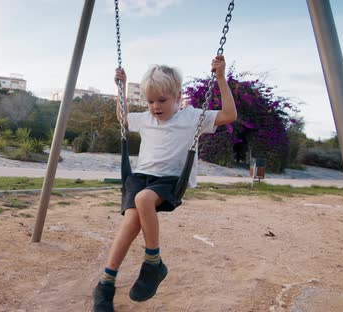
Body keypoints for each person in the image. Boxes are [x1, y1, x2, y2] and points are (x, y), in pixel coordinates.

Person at [93, 55, 237, 312]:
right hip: (140, 177)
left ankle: (153, 262)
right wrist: (121, 89)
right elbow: (123, 117)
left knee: (143, 199)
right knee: (130, 222)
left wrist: (220, 79)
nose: (155, 106)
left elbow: (229, 114)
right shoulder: (146, 119)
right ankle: (106, 283)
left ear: (178, 96)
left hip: (170, 181)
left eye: (162, 100)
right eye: (150, 101)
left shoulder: (193, 117)